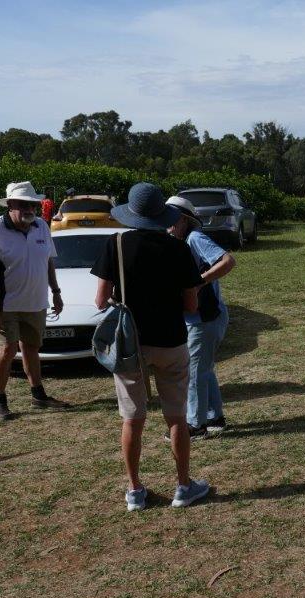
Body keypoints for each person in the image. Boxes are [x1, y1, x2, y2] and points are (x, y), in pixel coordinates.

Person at [91, 182, 209, 511]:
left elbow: (100, 300)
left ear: (131, 214)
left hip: (130, 345)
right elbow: (191, 305)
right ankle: (183, 486)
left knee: (132, 420)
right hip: (171, 341)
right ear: (163, 215)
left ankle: (135, 491)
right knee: (177, 417)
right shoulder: (178, 249)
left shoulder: (115, 244)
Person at [0, 181, 69, 420]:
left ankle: (38, 395)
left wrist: (56, 291)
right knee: (7, 349)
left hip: (36, 302)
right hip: (5, 306)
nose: (30, 209)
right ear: (11, 205)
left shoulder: (41, 226)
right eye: (24, 204)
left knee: (32, 348)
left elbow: (48, 261)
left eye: (33, 204)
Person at [165, 195, 235, 439]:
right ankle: (214, 417)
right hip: (200, 319)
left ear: (185, 220)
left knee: (195, 372)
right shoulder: (180, 241)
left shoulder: (194, 238)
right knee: (204, 369)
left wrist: (198, 283)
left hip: (204, 319)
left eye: (172, 219)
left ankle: (195, 425)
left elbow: (228, 261)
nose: (168, 225)